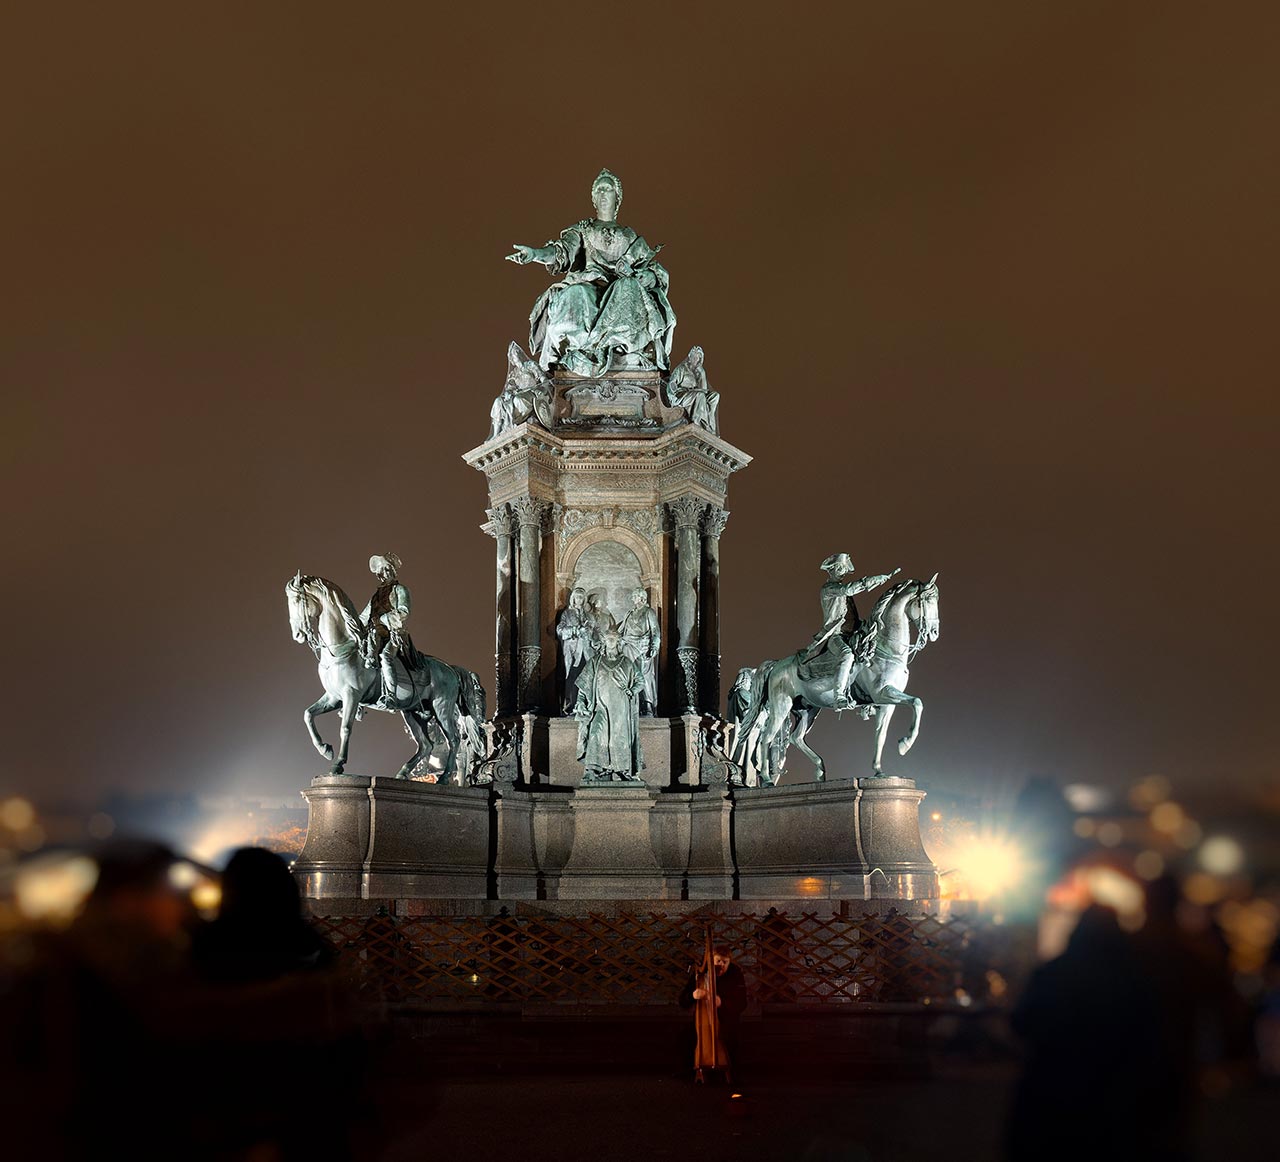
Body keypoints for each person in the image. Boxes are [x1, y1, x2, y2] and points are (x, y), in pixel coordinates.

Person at [506, 169, 676, 375]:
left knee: (628, 286)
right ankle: (585, 352)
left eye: (608, 189)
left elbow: (651, 269)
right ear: (594, 199)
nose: (603, 194)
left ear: (617, 198)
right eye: (599, 190)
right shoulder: (583, 230)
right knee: (574, 294)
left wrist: (648, 277)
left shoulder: (629, 235)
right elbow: (561, 252)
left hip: (622, 288)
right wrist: (535, 254)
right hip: (588, 286)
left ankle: (613, 348)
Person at [800, 553, 898, 710]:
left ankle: (867, 697)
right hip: (835, 635)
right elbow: (849, 589)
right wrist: (876, 579)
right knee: (847, 655)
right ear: (830, 570)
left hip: (851, 634)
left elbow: (851, 616)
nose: (841, 571)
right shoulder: (829, 589)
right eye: (838, 568)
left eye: (843, 568)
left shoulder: (843, 593)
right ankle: (839, 696)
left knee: (869, 652)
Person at [574, 628, 644, 783]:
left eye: (614, 639)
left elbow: (640, 681)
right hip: (600, 708)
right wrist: (580, 701)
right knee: (596, 734)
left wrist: (632, 690)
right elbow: (584, 686)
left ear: (618, 642)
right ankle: (594, 769)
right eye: (608, 639)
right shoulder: (595, 662)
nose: (611, 642)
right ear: (604, 642)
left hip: (621, 711)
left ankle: (623, 769)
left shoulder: (626, 662)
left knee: (620, 739)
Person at [679, 943, 749, 1084]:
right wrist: (693, 995)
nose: (721, 965)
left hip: (727, 1018)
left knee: (729, 1035)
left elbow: (742, 1003)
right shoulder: (700, 974)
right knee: (686, 1035)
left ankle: (731, 1074)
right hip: (704, 1019)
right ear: (711, 962)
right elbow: (682, 1000)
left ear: (730, 962)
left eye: (725, 962)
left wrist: (721, 1003)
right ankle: (691, 1072)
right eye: (718, 961)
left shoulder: (735, 974)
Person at [360, 553, 413, 707]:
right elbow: (364, 617)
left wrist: (382, 619)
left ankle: (390, 696)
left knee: (386, 656)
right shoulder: (375, 597)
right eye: (383, 571)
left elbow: (404, 611)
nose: (385, 573)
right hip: (375, 633)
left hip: (395, 634)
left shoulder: (401, 589)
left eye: (388, 569)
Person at [620, 586, 660, 715]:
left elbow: (655, 631)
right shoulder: (629, 613)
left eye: (635, 596)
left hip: (643, 647)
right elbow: (621, 630)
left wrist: (654, 647)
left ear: (642, 598)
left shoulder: (649, 612)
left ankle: (648, 704)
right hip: (628, 647)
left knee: (645, 676)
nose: (633, 598)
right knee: (629, 675)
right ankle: (631, 704)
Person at [665, 346, 720, 434]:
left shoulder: (700, 371)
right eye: (694, 357)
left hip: (696, 393)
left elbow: (704, 389)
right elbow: (672, 383)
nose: (695, 359)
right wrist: (674, 394)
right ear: (689, 357)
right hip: (682, 394)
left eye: (698, 357)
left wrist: (701, 374)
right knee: (699, 396)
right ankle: (698, 422)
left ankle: (709, 424)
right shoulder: (681, 368)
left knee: (715, 396)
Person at [556, 587, 592, 713]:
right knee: (572, 676)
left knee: (586, 677)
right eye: (577, 597)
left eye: (581, 597)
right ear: (573, 598)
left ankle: (586, 704)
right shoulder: (567, 613)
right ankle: (571, 704)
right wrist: (576, 630)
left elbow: (594, 632)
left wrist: (590, 634)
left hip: (586, 652)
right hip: (572, 651)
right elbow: (560, 630)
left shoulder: (588, 615)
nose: (579, 600)